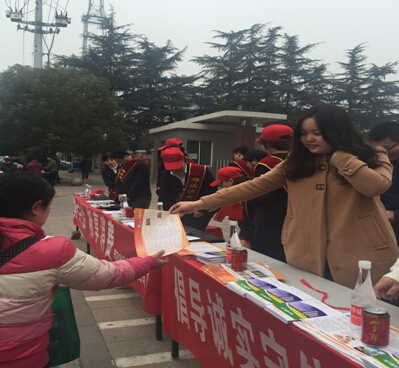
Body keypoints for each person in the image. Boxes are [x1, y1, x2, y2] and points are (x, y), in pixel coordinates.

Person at [170, 104, 399, 288]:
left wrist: (340, 157)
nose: (309, 139)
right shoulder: (297, 161)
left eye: (317, 133)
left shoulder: (372, 153)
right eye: (304, 134)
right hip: (306, 252)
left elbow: (375, 186)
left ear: (337, 132)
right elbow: (254, 186)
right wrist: (201, 203)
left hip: (362, 255)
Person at [0, 172, 169, 368]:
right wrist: (148, 262)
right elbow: (108, 275)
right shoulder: (51, 251)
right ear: (37, 207)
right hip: (20, 357)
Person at [246, 124, 293, 263]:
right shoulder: (300, 161)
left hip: (269, 222)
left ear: (266, 144)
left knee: (266, 265)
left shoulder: (267, 163)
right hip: (294, 220)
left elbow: (263, 195)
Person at [159, 146, 217, 231]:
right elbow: (164, 196)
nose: (174, 169)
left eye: (176, 165)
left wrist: (202, 209)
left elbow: (212, 192)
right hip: (177, 213)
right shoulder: (166, 175)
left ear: (183, 160)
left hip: (198, 213)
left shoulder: (201, 171)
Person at [369, 122, 399, 243]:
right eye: (378, 149)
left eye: (387, 148)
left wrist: (396, 215)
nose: (384, 152)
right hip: (377, 224)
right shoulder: (374, 162)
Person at [210, 166, 253, 248]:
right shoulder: (239, 193)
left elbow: (254, 220)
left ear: (231, 181)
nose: (222, 186)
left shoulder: (248, 194)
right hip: (244, 232)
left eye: (222, 183)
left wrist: (246, 239)